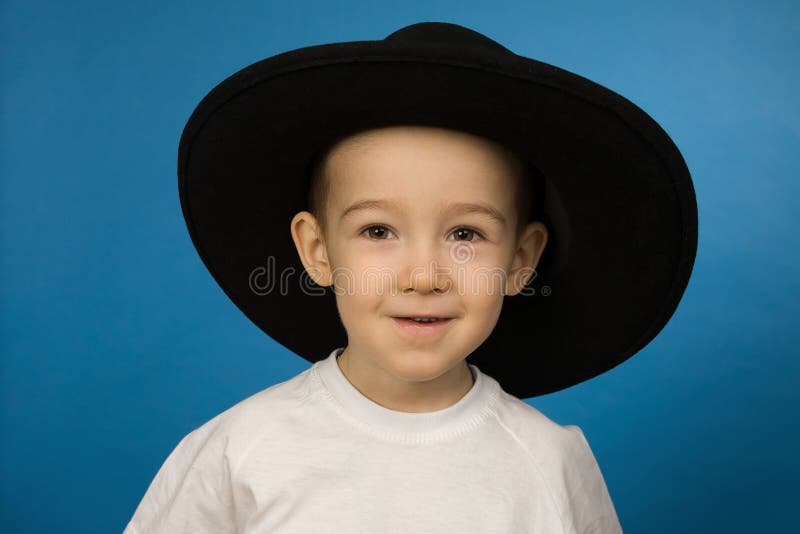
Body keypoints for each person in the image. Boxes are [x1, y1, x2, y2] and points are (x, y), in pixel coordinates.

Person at [124, 21, 697, 534]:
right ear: (317, 250)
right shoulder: (239, 451)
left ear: (522, 259)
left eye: (465, 235)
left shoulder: (551, 461)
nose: (424, 276)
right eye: (378, 231)